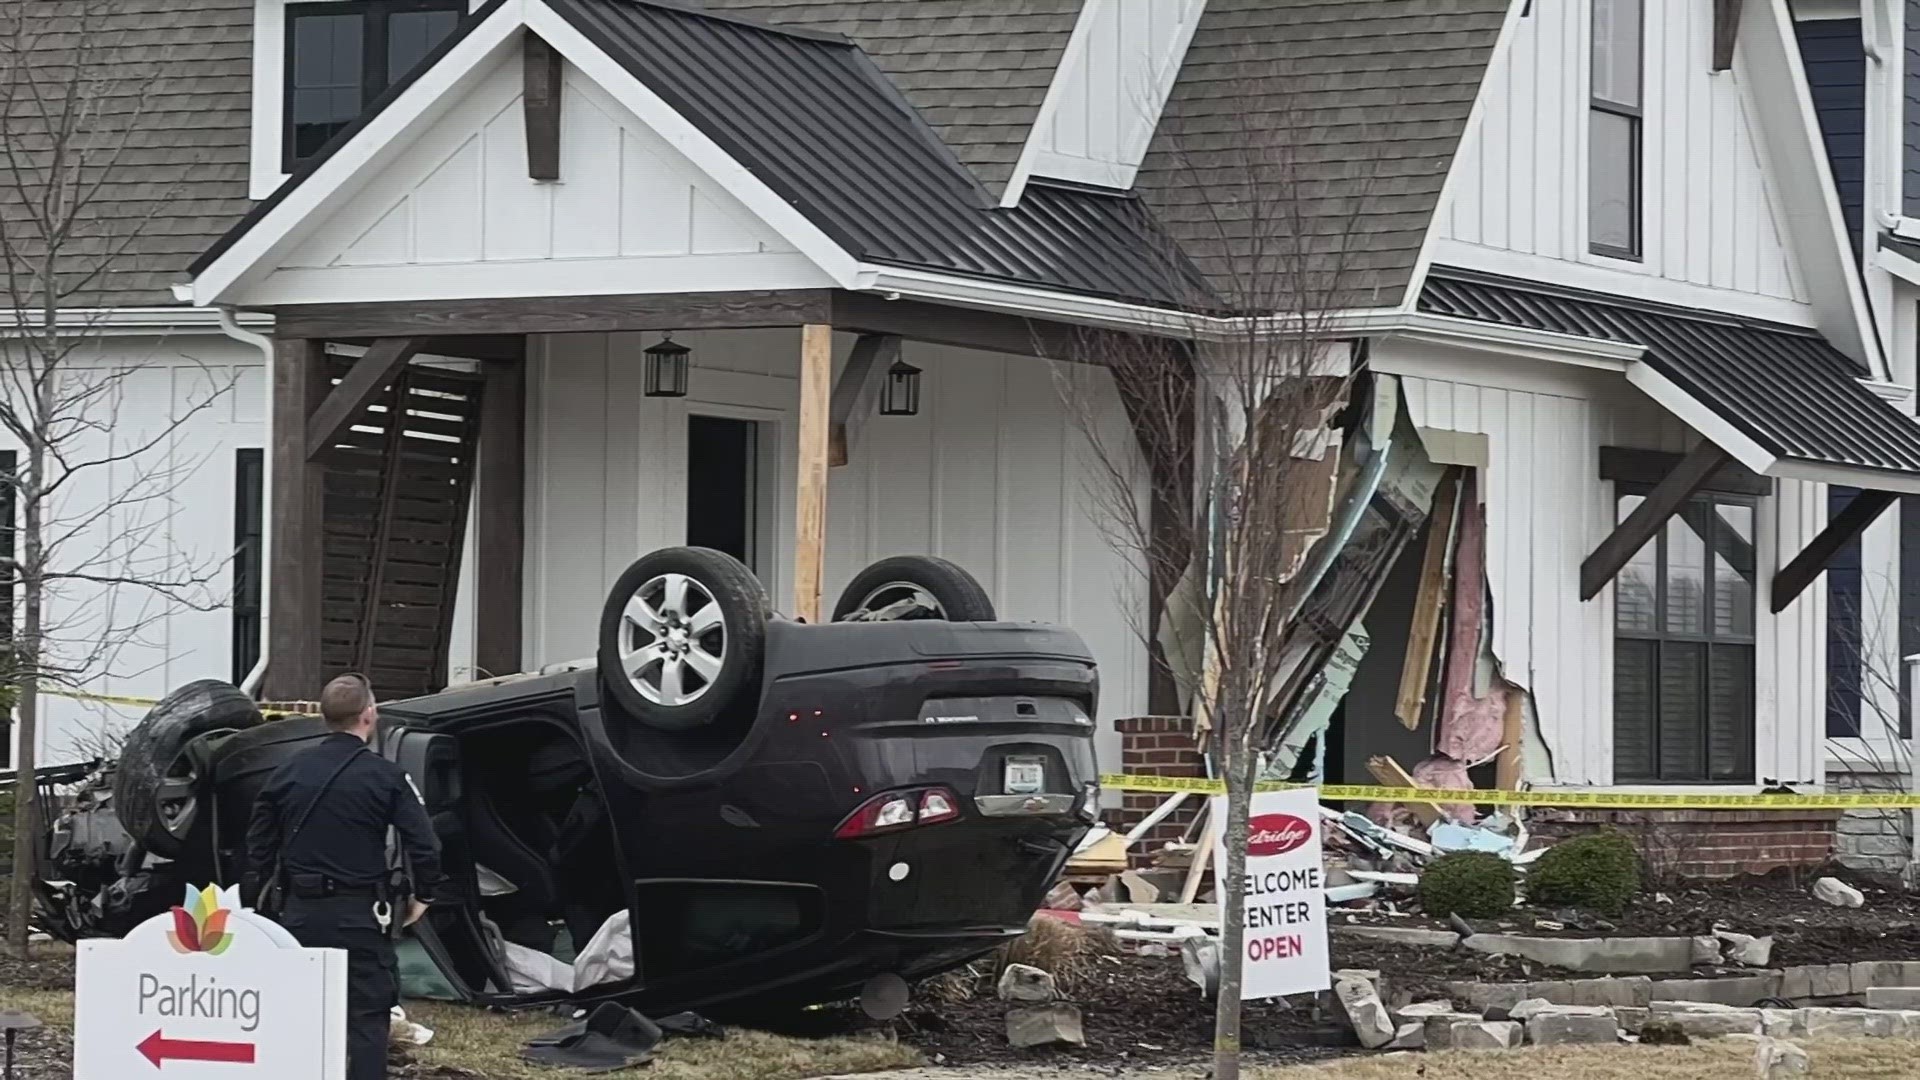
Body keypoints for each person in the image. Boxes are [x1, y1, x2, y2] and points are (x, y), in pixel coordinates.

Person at [246, 673, 443, 1080]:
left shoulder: (286, 773)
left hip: (299, 914)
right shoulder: (385, 776)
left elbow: (258, 846)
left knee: (301, 1016)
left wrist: (262, 900)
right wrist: (422, 896)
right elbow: (425, 844)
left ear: (324, 717)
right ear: (369, 715)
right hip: (360, 915)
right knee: (367, 1019)